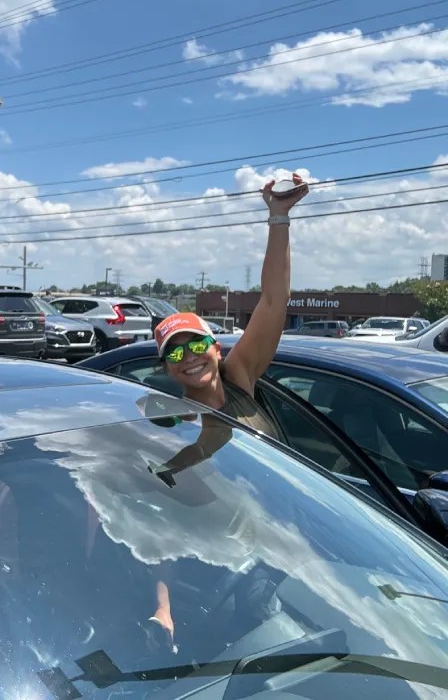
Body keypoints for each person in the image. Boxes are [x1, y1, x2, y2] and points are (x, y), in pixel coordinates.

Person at [146, 172, 309, 646]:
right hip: (225, 577)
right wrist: (162, 605)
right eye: (174, 353)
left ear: (215, 347)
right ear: (166, 368)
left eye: (194, 344)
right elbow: (159, 526)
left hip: (288, 548)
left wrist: (277, 219)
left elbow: (274, 301)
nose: (188, 357)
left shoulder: (240, 379)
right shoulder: (169, 425)